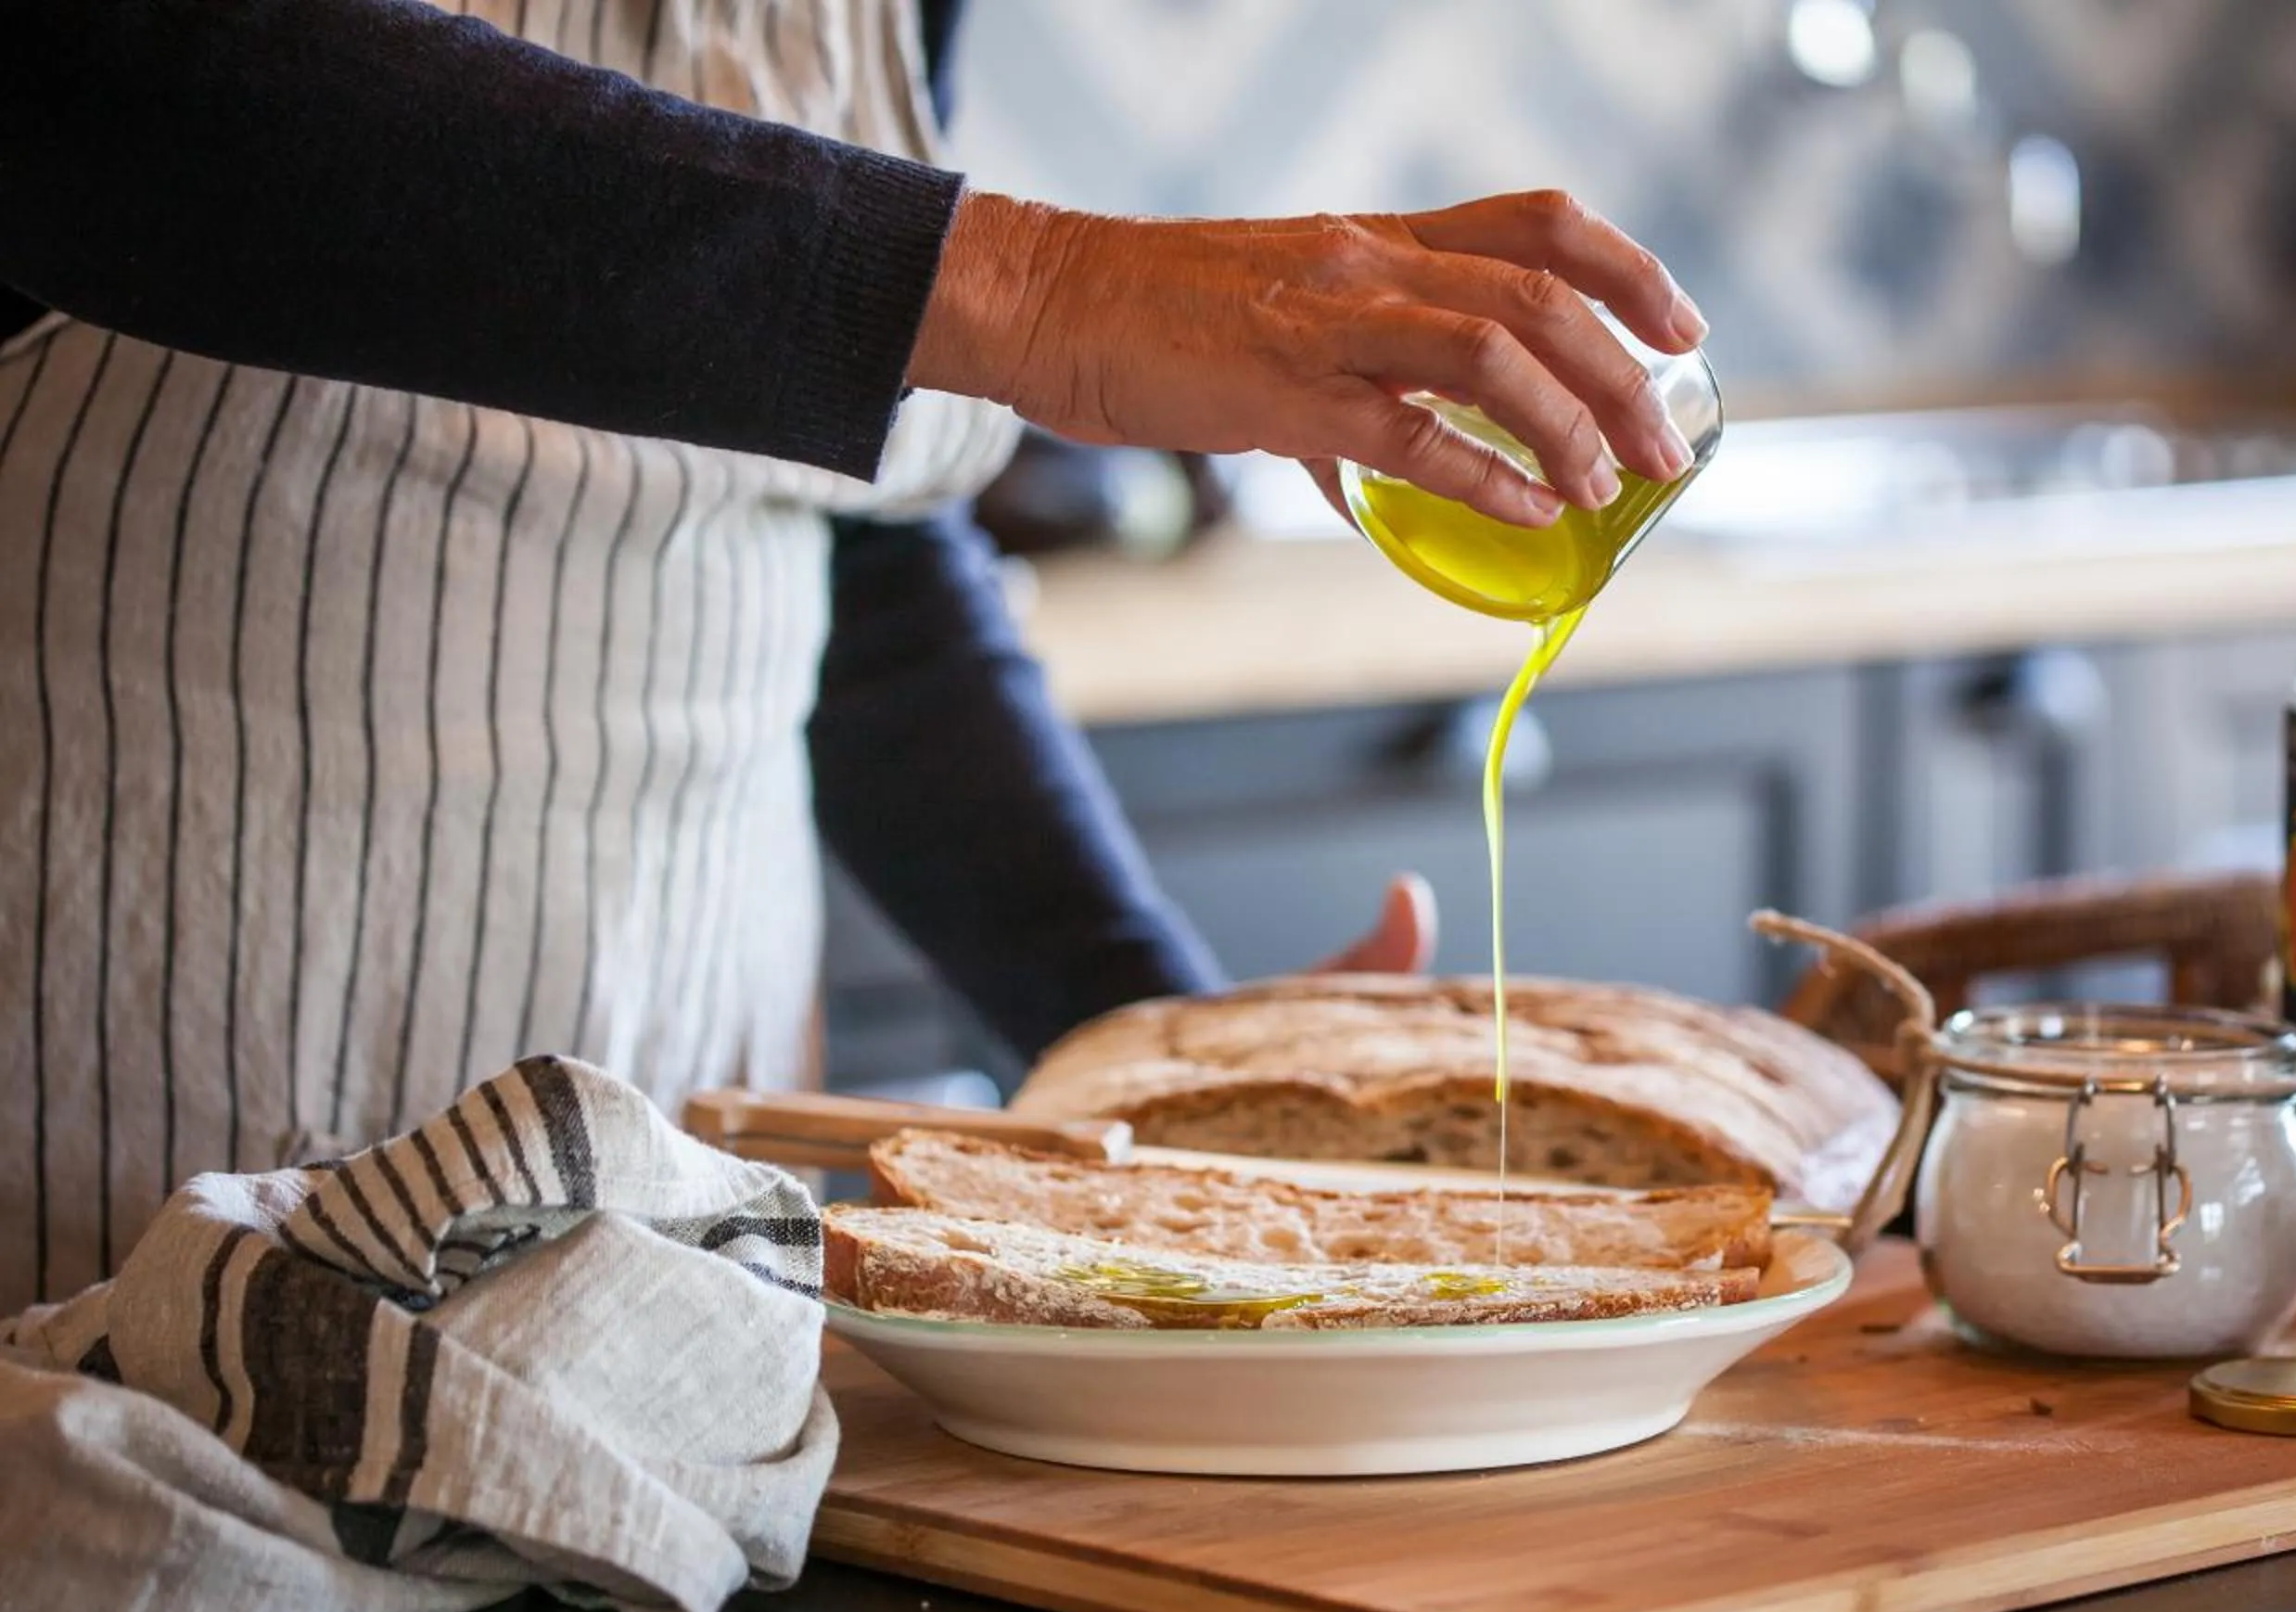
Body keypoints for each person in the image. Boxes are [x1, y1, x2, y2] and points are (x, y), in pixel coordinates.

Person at [0, 0, 1708, 1313]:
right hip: (100, 1280)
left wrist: (1144, 1045)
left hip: (667, 1309)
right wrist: (1037, 288)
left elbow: (843, 550)